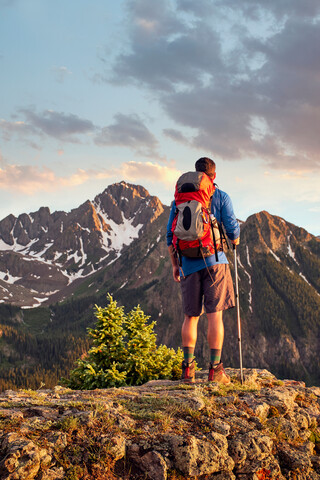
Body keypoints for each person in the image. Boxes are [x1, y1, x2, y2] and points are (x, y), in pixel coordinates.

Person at [167, 157, 240, 384]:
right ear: (213, 176)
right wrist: (234, 240)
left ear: (195, 174)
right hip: (215, 262)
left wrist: (175, 265)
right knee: (214, 316)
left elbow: (171, 237)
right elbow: (232, 229)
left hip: (188, 262)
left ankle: (187, 371)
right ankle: (215, 370)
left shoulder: (179, 199)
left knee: (190, 317)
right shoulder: (220, 196)